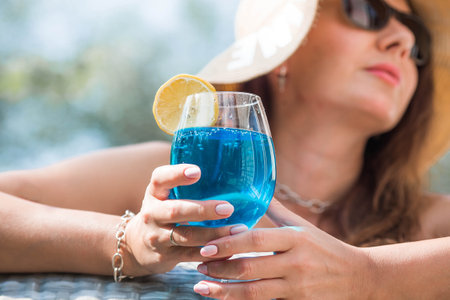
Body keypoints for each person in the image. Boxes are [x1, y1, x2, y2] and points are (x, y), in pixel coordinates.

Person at [0, 0, 449, 299]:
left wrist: (370, 276)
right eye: (366, 10)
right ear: (282, 49)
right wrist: (126, 243)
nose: (403, 42)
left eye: (418, 40)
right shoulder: (170, 178)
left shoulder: (431, 221)